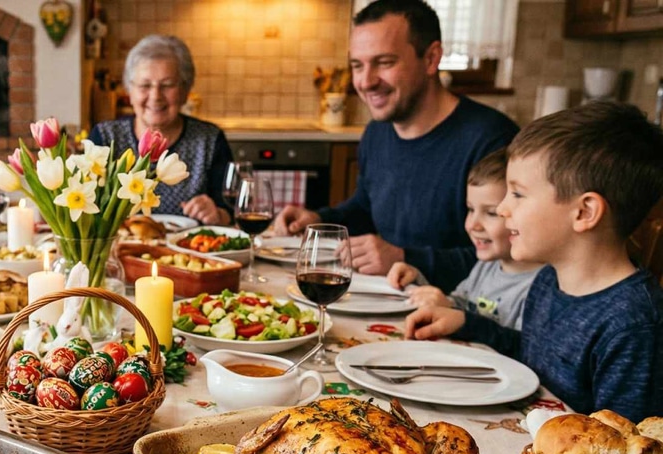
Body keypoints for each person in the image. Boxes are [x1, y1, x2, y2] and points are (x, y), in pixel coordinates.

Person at [406, 102, 663, 420]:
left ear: (584, 213)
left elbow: (630, 450)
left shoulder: (633, 326)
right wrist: (467, 322)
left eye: (517, 194)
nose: (503, 209)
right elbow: (532, 361)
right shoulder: (548, 280)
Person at [273, 0, 519, 291]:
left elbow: (510, 258)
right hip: (389, 299)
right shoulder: (377, 132)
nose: (365, 82)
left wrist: (405, 259)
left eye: (385, 62)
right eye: (357, 65)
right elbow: (365, 207)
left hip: (458, 315)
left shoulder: (492, 139)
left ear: (431, 59)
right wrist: (318, 220)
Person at [387, 148, 541, 329]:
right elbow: (458, 304)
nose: (473, 225)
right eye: (470, 209)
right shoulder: (487, 266)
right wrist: (417, 283)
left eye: (491, 213)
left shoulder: (538, 288)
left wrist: (453, 311)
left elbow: (516, 347)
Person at [89, 35, 232, 226]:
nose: (155, 96)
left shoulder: (210, 140)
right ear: (129, 91)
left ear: (185, 90)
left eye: (167, 85)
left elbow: (231, 210)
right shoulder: (105, 137)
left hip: (189, 252)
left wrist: (217, 214)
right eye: (145, 85)